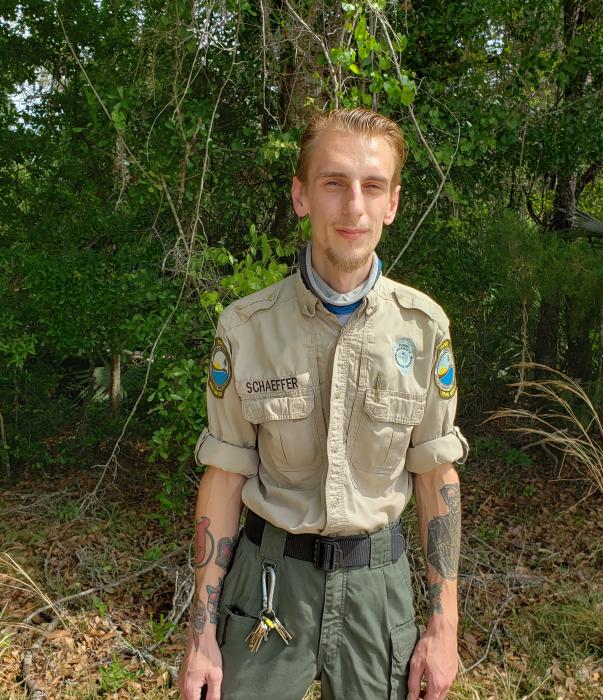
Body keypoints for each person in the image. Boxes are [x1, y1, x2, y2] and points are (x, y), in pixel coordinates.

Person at [178, 108, 468, 700]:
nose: (353, 206)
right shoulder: (247, 329)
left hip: (378, 594)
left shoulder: (423, 327)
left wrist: (444, 626)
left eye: (372, 186)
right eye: (333, 183)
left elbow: (438, 475)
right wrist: (202, 635)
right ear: (301, 196)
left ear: (392, 204)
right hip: (268, 584)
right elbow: (225, 477)